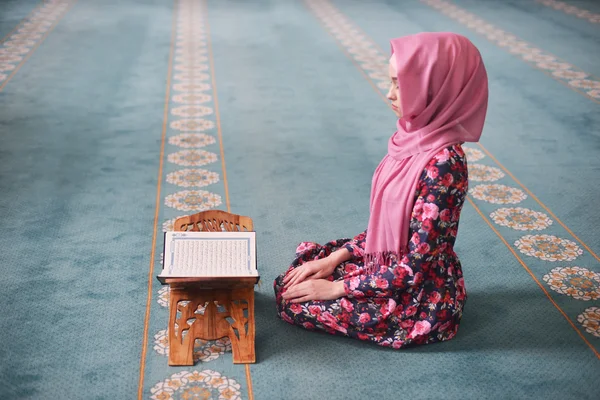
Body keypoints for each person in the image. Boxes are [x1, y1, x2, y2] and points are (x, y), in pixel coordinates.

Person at [273, 32, 488, 348]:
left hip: (417, 298)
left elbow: (415, 265)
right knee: (301, 275)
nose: (389, 94)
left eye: (400, 85)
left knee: (296, 301)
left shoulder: (443, 163)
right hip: (390, 265)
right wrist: (335, 259)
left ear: (434, 88)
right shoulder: (413, 138)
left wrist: (338, 288)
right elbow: (387, 229)